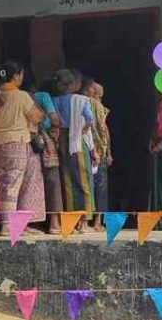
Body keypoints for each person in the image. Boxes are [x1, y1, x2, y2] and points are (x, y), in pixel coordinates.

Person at [0, 61, 46, 235]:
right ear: (16, 76)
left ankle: (7, 223)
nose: (22, 78)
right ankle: (8, 225)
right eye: (21, 75)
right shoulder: (22, 96)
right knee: (12, 184)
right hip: (16, 144)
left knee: (3, 184)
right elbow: (37, 117)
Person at [51, 69, 96, 223]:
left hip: (63, 140)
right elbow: (90, 117)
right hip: (77, 139)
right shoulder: (80, 99)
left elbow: (54, 121)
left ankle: (72, 219)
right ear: (71, 85)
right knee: (84, 179)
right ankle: (84, 220)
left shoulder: (55, 100)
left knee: (68, 179)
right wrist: (85, 128)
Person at [32, 80, 64, 234]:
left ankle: (34, 223)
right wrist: (56, 127)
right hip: (43, 142)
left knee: (32, 185)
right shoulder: (43, 96)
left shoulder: (18, 96)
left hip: (27, 141)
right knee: (52, 182)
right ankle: (54, 223)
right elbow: (55, 119)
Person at [86, 81, 112, 232]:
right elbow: (104, 130)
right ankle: (97, 221)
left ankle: (83, 221)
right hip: (98, 152)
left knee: (87, 186)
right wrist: (108, 153)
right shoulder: (98, 107)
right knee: (100, 187)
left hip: (84, 151)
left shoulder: (81, 102)